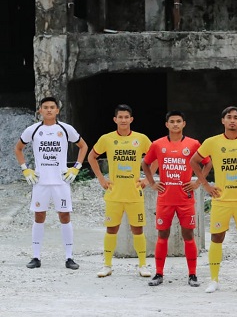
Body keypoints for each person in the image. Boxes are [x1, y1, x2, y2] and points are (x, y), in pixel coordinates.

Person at [189, 106, 237, 293]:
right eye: (228, 117)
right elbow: (194, 161)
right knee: (217, 238)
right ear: (222, 121)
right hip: (220, 200)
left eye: (236, 117)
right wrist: (205, 185)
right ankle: (214, 279)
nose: (232, 120)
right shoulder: (212, 142)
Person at [14, 96, 88, 270]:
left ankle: (69, 257)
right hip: (40, 181)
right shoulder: (33, 130)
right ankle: (36, 256)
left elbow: (83, 146)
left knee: (65, 216)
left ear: (57, 110)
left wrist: (76, 168)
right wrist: (25, 168)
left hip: (61, 181)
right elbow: (18, 148)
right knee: (39, 216)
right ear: (40, 110)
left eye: (52, 107)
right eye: (45, 107)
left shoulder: (65, 129)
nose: (48, 110)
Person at [141, 111, 212, 287]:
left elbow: (208, 162)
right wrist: (152, 183)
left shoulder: (193, 144)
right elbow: (145, 163)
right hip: (165, 198)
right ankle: (158, 273)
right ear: (166, 124)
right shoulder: (158, 144)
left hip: (185, 198)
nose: (175, 124)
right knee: (162, 234)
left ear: (183, 124)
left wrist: (198, 183)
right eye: (171, 121)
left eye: (178, 121)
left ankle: (193, 274)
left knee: (188, 234)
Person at [87, 104, 153, 278]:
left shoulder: (141, 139)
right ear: (115, 119)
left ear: (131, 119)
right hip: (114, 194)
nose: (123, 120)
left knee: (137, 230)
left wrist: (148, 179)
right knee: (111, 229)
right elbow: (91, 156)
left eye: (126, 117)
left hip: (134, 193)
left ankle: (143, 265)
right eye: (120, 117)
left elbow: (156, 158)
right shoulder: (107, 139)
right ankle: (107, 265)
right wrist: (101, 178)